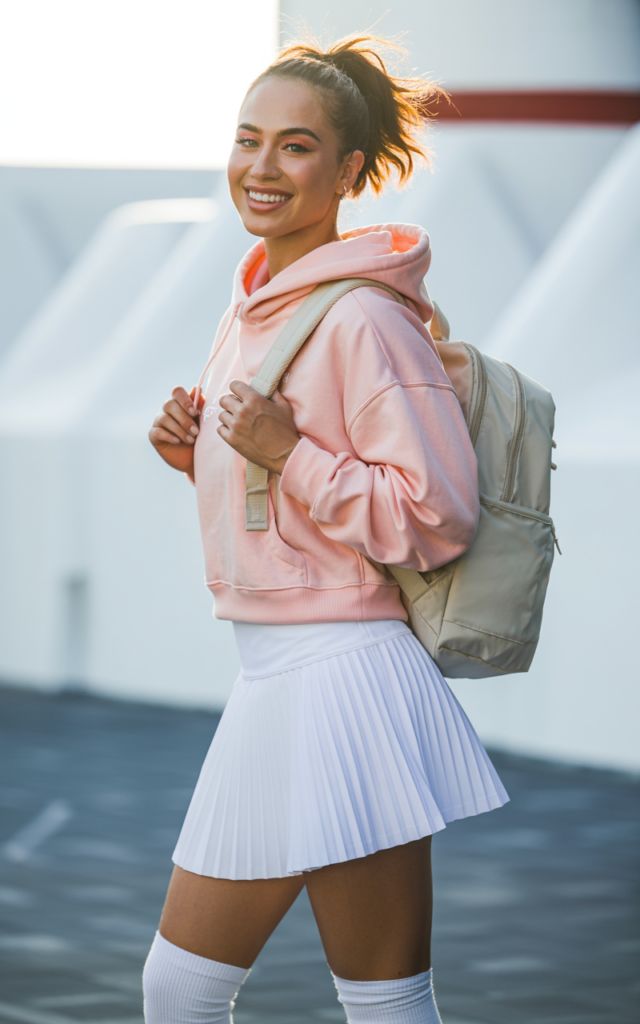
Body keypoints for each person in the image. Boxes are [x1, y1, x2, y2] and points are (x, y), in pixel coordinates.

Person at [144, 35, 508, 1024]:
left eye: (295, 147)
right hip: (279, 674)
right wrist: (201, 453)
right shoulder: (255, 301)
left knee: (256, 995)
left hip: (339, 677)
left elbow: (435, 516)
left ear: (347, 170)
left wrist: (278, 453)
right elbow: (289, 482)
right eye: (247, 140)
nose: (260, 168)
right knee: (320, 999)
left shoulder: (364, 320)